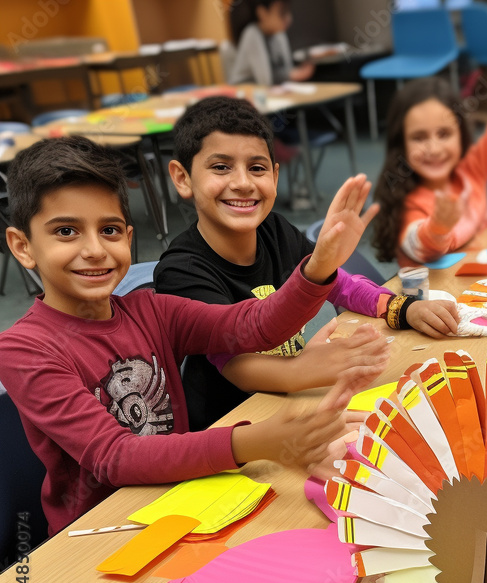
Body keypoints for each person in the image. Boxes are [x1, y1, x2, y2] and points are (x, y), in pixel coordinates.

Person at [0, 136, 366, 535]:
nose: (94, 250)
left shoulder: (150, 309)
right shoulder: (23, 349)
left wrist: (319, 266)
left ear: (128, 236)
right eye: (66, 231)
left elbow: (254, 326)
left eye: (109, 230)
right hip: (99, 533)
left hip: (183, 499)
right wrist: (257, 442)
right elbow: (115, 456)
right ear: (23, 246)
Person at [154, 96, 458, 431]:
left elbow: (338, 283)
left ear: (275, 174)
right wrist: (302, 369)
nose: (242, 182)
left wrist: (401, 308)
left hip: (293, 400)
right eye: (221, 167)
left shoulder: (276, 229)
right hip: (235, 429)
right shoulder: (181, 270)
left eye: (257, 167)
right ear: (182, 178)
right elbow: (234, 364)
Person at [371, 10, 487, 267]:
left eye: (444, 134)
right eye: (419, 137)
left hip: (482, 290)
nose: (434, 147)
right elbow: (422, 244)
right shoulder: (409, 204)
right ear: (401, 143)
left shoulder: (473, 169)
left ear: (461, 136)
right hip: (436, 304)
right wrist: (438, 227)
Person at [227, 0, 313, 87]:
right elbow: (265, 81)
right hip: (243, 91)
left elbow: (288, 70)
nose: (289, 18)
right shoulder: (252, 33)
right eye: (282, 13)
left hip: (269, 94)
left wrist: (292, 74)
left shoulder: (279, 34)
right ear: (262, 13)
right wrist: (292, 75)